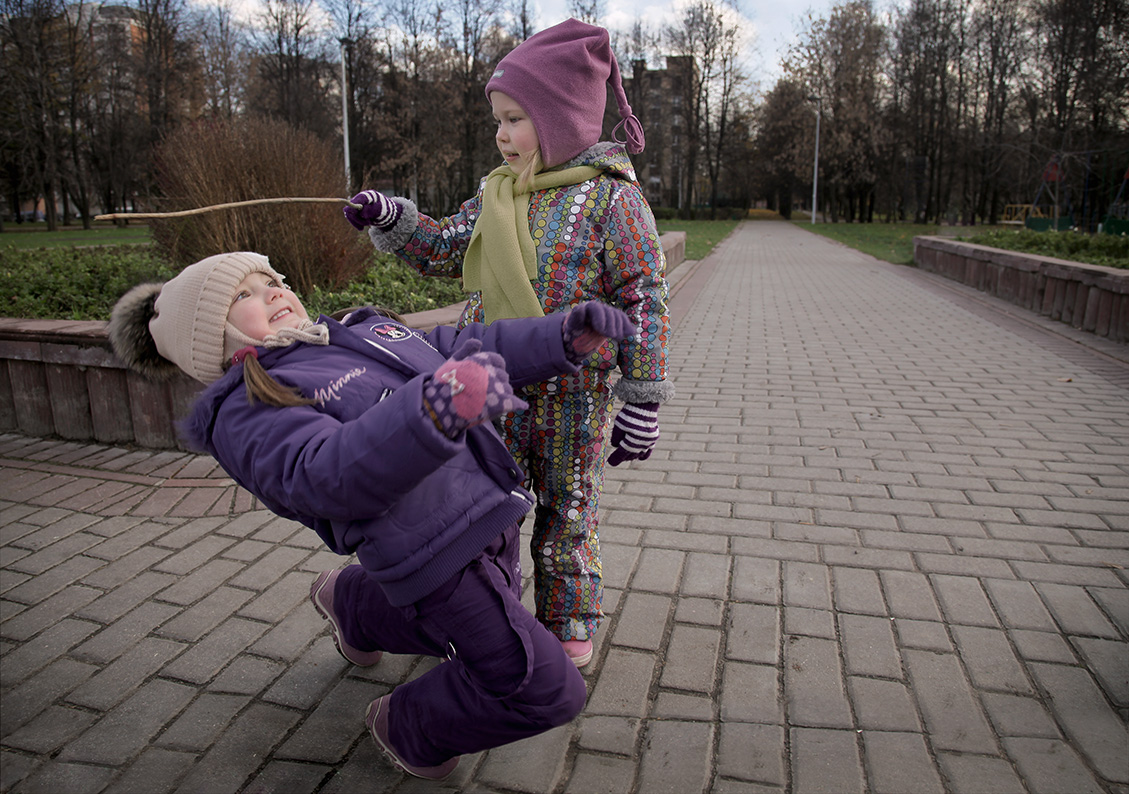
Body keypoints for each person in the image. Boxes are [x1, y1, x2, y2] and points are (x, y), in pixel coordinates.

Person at [108, 251, 637, 780]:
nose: (270, 292)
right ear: (210, 338)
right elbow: (322, 477)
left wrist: (563, 335)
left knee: (469, 629)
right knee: (544, 687)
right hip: (431, 558)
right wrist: (436, 409)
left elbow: (468, 346)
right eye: (241, 295)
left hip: (490, 513)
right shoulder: (247, 409)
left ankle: (355, 604)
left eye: (271, 281)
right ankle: (407, 725)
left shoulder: (359, 331)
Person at [344, 18, 674, 669]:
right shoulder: (497, 194)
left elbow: (645, 296)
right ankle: (477, 615)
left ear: (562, 119)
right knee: (476, 508)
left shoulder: (613, 202)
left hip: (570, 400)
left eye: (517, 119)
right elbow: (443, 247)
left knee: (565, 507)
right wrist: (393, 218)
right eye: (497, 118)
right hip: (484, 391)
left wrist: (643, 396)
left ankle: (567, 619)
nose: (501, 134)